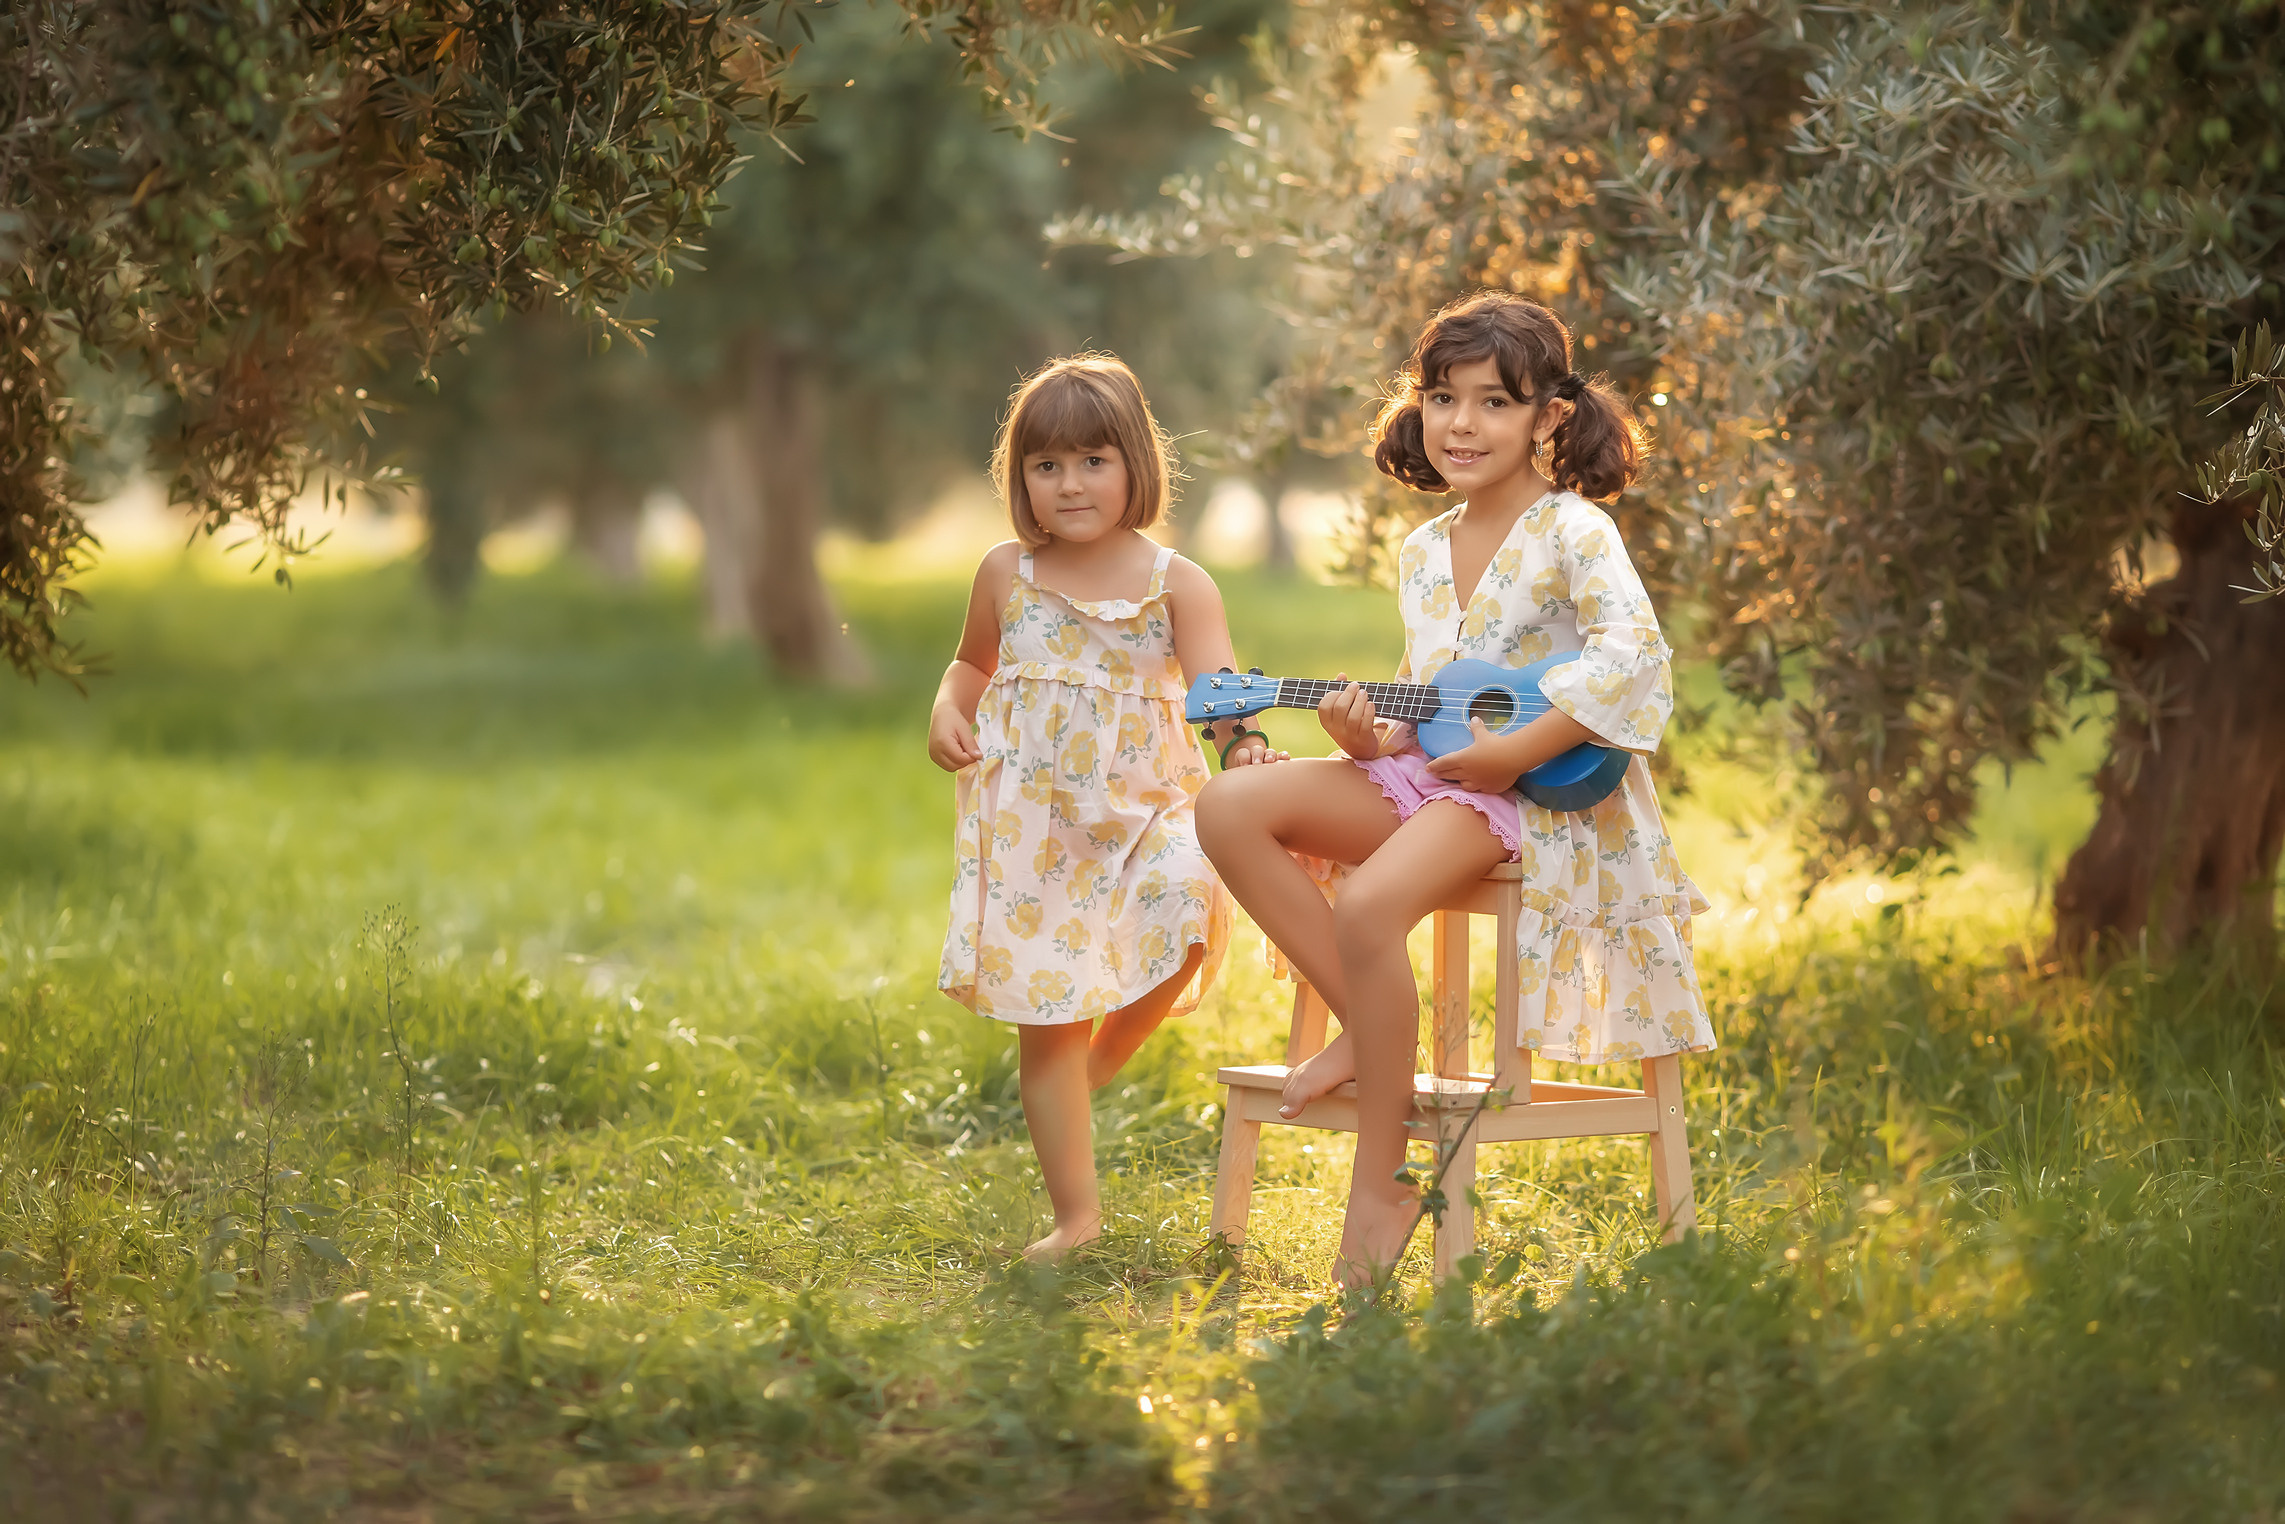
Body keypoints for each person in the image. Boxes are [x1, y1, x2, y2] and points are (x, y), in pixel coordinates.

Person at [1196, 291, 1715, 1285]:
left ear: (1547, 418)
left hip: (1544, 796)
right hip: (1440, 778)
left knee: (1374, 903)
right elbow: (1429, 707)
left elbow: (1634, 662)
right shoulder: (1420, 551)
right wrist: (1363, 734)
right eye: (1441, 398)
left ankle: (1384, 1176)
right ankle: (1369, 1023)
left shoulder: (1572, 531)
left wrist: (1517, 754)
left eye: (1490, 402)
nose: (1460, 424)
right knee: (1226, 806)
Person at [930, 353, 1274, 1260]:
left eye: (1092, 460)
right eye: (1047, 467)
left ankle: (1087, 1079)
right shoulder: (1008, 573)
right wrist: (946, 708)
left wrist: (1245, 750)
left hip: (1149, 810)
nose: (1070, 483)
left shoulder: (1177, 583)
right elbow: (971, 664)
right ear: (1022, 482)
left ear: (1135, 464)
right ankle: (1075, 1219)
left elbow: (1219, 696)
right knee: (1047, 1016)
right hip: (1032, 829)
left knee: (1190, 898)